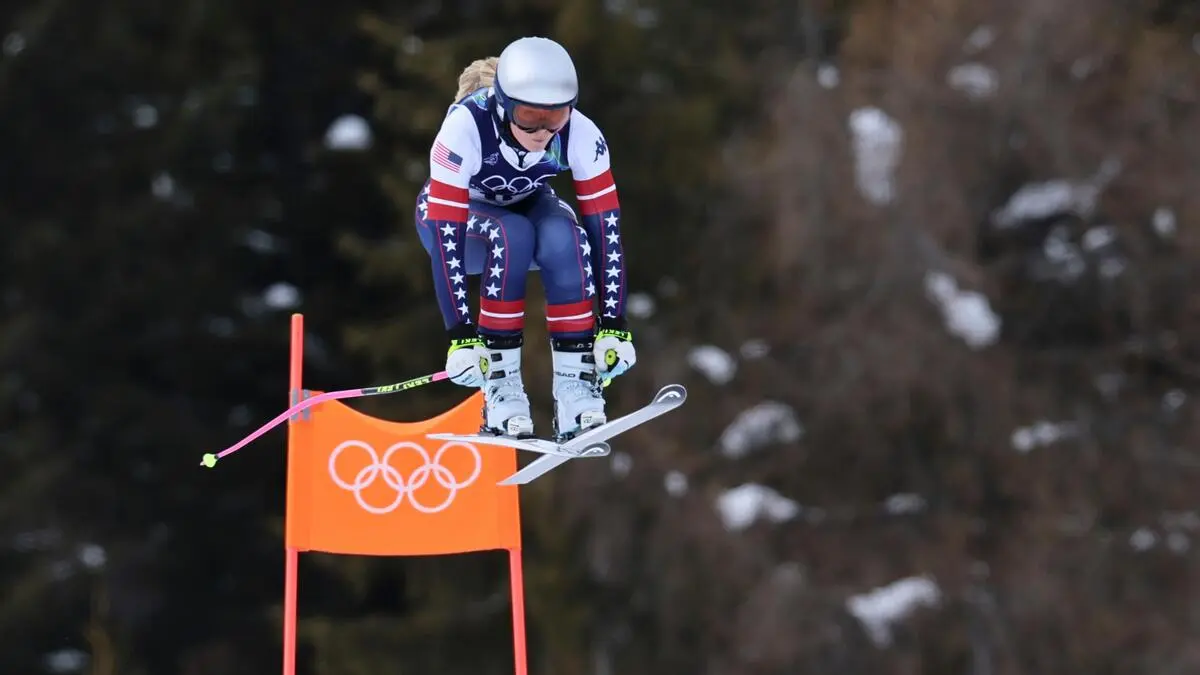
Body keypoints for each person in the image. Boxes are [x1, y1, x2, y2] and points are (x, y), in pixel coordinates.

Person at [414, 36, 637, 441]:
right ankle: (501, 389)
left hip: (526, 206)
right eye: (529, 116)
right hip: (459, 227)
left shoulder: (580, 132)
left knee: (565, 236)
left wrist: (614, 325)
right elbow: (448, 236)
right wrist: (460, 336)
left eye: (555, 117)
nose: (542, 131)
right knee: (511, 234)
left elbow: (606, 230)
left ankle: (575, 390)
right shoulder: (465, 128)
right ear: (502, 106)